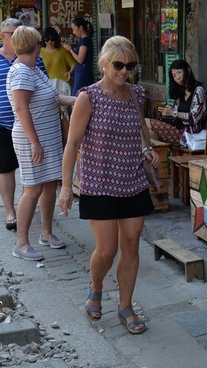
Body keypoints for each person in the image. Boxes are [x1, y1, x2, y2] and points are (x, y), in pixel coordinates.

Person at [58, 36, 158, 335]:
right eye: (119, 65)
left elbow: (140, 128)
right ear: (104, 63)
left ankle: (126, 306)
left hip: (133, 181)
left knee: (131, 245)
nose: (124, 71)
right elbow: (72, 143)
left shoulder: (137, 94)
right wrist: (66, 187)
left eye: (130, 65)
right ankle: (96, 286)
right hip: (98, 183)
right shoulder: (89, 97)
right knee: (107, 249)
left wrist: (146, 149)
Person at [0, 18, 48, 232]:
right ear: (2, 35)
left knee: (31, 170)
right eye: (13, 33)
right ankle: (10, 211)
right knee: (5, 168)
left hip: (30, 125)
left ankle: (27, 208)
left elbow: (45, 89)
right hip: (2, 123)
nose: (17, 37)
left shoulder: (34, 58)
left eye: (21, 32)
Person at [7, 26, 77, 260]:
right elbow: (20, 108)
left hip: (47, 136)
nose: (42, 45)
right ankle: (21, 243)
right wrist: (34, 141)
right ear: (34, 44)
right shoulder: (22, 72)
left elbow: (54, 97)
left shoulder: (34, 68)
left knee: (48, 184)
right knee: (32, 188)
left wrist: (80, 100)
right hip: (33, 139)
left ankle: (46, 233)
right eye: (39, 42)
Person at [146, 59, 207, 147]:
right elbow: (174, 113)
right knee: (148, 133)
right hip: (178, 129)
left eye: (179, 73)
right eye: (174, 76)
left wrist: (173, 113)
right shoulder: (181, 92)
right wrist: (167, 111)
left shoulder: (198, 91)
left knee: (144, 123)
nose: (177, 78)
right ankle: (160, 157)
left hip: (190, 134)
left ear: (188, 70)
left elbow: (194, 118)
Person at [40, 26, 76, 97]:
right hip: (47, 86)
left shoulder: (63, 50)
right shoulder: (40, 52)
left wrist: (70, 72)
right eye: (47, 40)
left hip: (63, 84)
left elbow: (73, 64)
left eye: (52, 39)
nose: (49, 42)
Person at [62, 17, 94, 95]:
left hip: (83, 73)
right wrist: (71, 71)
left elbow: (80, 59)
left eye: (74, 29)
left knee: (78, 95)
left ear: (80, 28)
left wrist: (70, 49)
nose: (73, 32)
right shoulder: (83, 40)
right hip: (81, 71)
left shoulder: (84, 41)